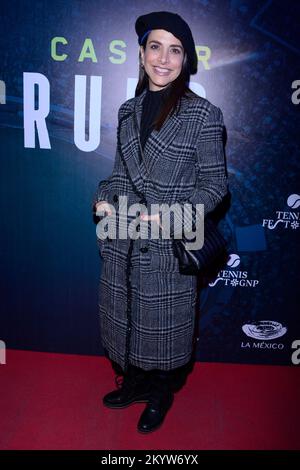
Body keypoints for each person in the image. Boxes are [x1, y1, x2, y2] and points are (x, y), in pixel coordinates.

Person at [92, 11, 228, 434]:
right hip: (125, 239)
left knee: (162, 330)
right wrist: (105, 199)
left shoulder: (203, 115)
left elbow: (216, 187)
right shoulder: (128, 110)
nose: (163, 59)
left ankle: (160, 393)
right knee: (127, 317)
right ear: (141, 53)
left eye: (175, 50)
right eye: (156, 47)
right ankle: (133, 382)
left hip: (166, 243)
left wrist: (171, 215)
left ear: (185, 59)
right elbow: (118, 173)